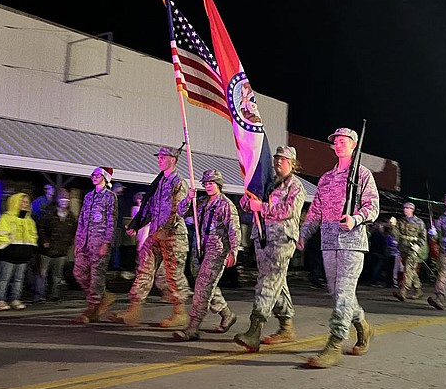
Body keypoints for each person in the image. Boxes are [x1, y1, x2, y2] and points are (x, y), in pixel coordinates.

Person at [298, 127, 380, 368]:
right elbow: (315, 211)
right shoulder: (326, 178)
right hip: (329, 241)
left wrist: (356, 218)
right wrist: (304, 235)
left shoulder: (363, 175)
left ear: (354, 145)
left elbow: (373, 206)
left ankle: (334, 344)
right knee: (337, 294)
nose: (339, 144)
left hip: (353, 242)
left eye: (344, 141)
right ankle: (364, 326)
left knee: (343, 293)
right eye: (336, 141)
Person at [109, 146, 191, 327]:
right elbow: (150, 208)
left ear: (173, 160)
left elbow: (178, 212)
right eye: (159, 157)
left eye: (163, 157)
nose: (160, 160)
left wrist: (165, 229)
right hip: (155, 233)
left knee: (173, 274)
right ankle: (134, 310)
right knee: (144, 269)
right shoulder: (159, 182)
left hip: (173, 235)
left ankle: (180, 312)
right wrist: (136, 225)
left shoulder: (179, 183)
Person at [235, 145, 306, 350]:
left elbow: (287, 211)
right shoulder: (267, 183)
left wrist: (261, 207)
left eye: (282, 160)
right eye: (276, 159)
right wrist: (249, 199)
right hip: (263, 237)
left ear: (292, 164)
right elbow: (246, 204)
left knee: (267, 281)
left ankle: (255, 329)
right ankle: (286, 328)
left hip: (282, 239)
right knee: (277, 282)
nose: (277, 162)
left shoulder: (296, 186)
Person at [172, 170, 240, 341]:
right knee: (207, 285)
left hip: (216, 251)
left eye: (211, 183)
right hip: (200, 249)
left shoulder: (226, 205)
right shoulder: (200, 202)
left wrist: (234, 251)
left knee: (202, 288)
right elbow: (181, 212)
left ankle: (193, 326)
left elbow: (234, 230)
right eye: (206, 184)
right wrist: (188, 198)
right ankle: (227, 314)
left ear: (219, 184)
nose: (208, 186)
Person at [73, 168, 118, 322]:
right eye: (93, 175)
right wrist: (78, 241)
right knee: (78, 272)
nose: (94, 177)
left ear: (105, 178)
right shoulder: (88, 197)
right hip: (85, 242)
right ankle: (102, 296)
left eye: (97, 175)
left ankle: (92, 308)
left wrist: (106, 242)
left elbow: (111, 221)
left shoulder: (110, 197)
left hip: (99, 243)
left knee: (96, 276)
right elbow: (81, 220)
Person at [0, 193, 38, 310]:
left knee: (19, 279)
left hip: (23, 256)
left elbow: (33, 237)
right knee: (4, 279)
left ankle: (15, 299)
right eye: (22, 201)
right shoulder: (5, 218)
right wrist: (7, 248)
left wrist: (29, 250)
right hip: (8, 256)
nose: (25, 204)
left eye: (27, 202)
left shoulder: (30, 221)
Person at [36, 188, 77, 302]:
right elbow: (41, 228)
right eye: (62, 199)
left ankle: (55, 294)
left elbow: (74, 230)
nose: (65, 201)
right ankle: (40, 295)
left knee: (57, 275)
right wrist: (44, 241)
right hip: (47, 250)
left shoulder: (71, 216)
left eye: (67, 199)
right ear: (58, 200)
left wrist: (69, 243)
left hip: (61, 250)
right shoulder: (49, 213)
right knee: (42, 273)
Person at [389, 201, 427, 300]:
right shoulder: (401, 221)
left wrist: (418, 245)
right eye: (404, 208)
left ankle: (403, 291)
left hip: (412, 249)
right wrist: (392, 226)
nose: (405, 209)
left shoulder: (419, 222)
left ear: (412, 210)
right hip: (403, 249)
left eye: (407, 208)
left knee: (408, 269)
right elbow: (396, 235)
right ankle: (418, 290)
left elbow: (423, 237)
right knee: (411, 270)